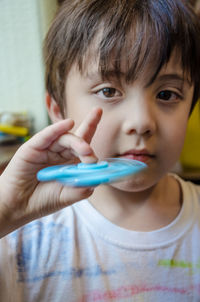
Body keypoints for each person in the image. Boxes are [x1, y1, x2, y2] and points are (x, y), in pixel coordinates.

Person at [0, 0, 200, 301]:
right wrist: (5, 212)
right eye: (108, 91)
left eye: (167, 94)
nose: (142, 122)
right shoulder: (19, 233)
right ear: (57, 108)